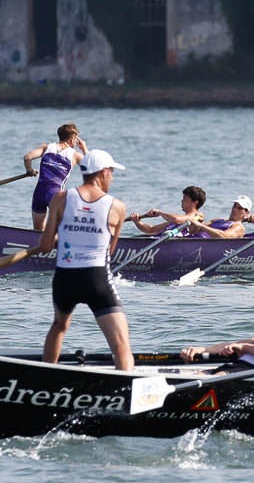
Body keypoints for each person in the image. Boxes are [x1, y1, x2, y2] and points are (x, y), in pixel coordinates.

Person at [33, 150, 133, 371]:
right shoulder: (117, 207)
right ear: (103, 172)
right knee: (121, 346)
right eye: (112, 172)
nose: (113, 178)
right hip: (96, 279)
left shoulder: (60, 199)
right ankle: (126, 390)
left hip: (65, 278)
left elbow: (46, 245)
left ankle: (44, 375)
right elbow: (110, 251)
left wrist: (64, 236)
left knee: (59, 326)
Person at [23, 123, 86, 232]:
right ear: (73, 138)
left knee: (37, 232)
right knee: (60, 229)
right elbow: (93, 166)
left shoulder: (46, 147)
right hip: (55, 195)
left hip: (39, 193)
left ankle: (38, 247)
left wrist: (30, 171)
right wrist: (84, 149)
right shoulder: (75, 155)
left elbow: (27, 158)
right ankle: (57, 246)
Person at [131, 185, 206, 237]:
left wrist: (160, 213)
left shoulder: (198, 215)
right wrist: (137, 222)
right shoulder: (180, 220)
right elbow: (150, 230)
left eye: (185, 199)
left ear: (195, 202)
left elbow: (177, 220)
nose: (181, 201)